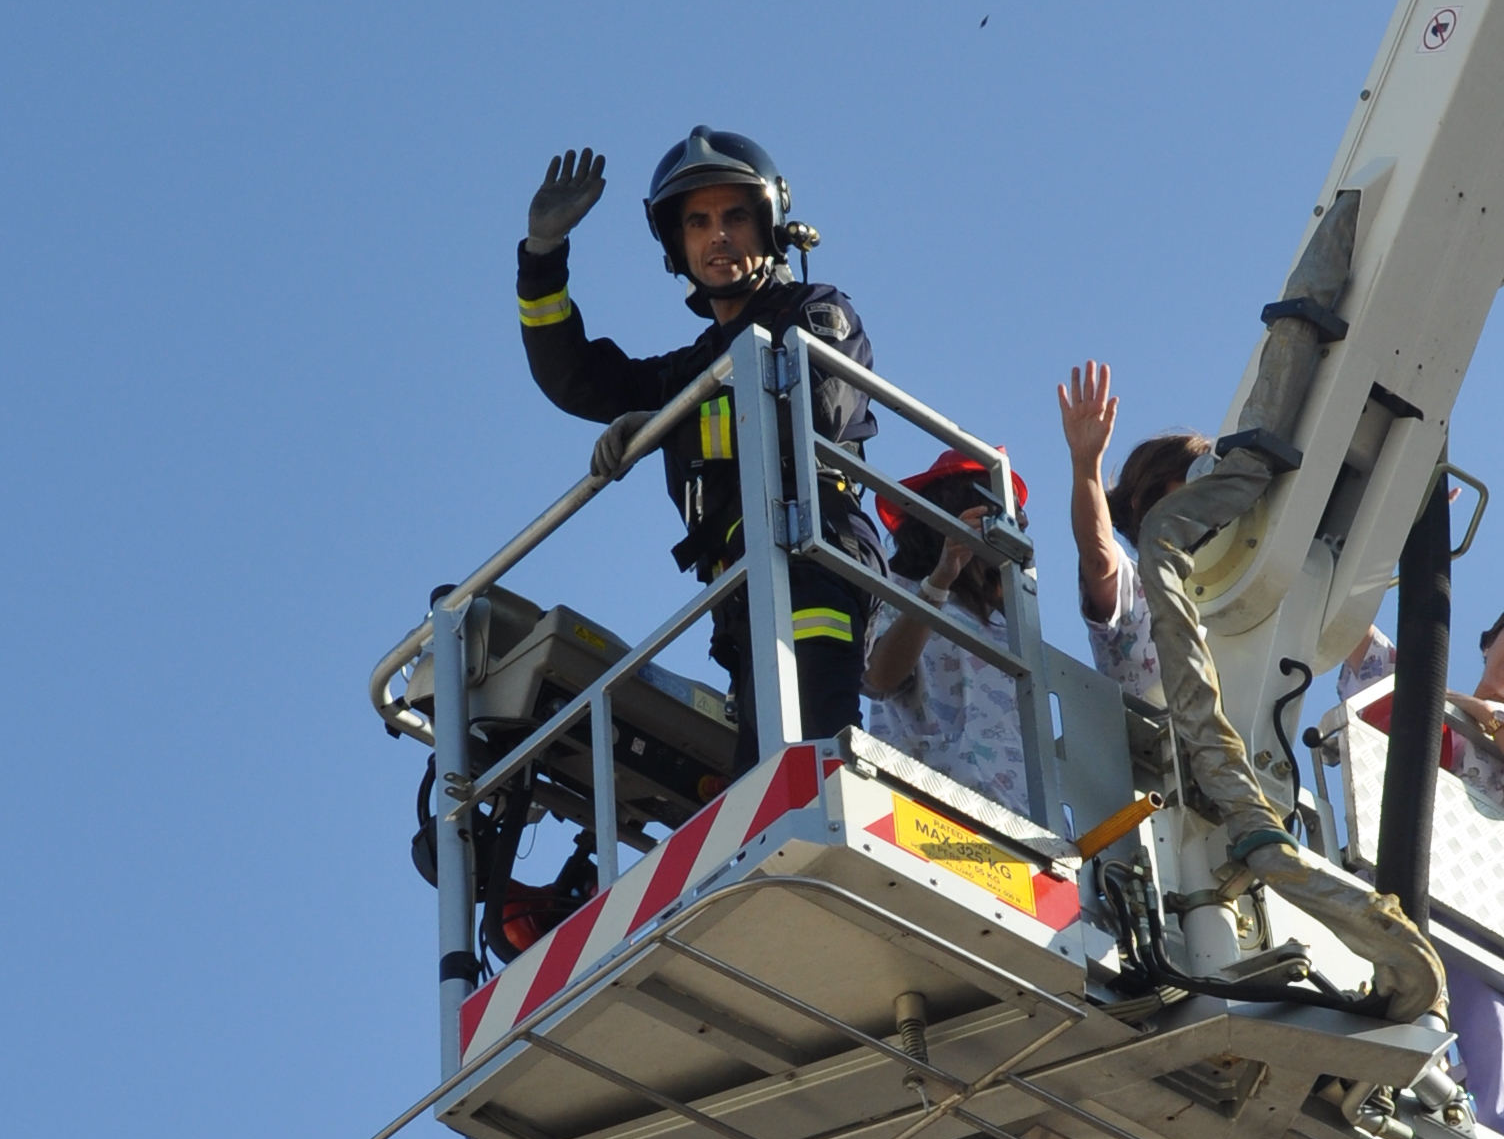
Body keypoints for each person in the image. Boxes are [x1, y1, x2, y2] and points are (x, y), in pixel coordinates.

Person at [513, 130, 881, 757]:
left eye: (736, 216)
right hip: (739, 592)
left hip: (814, 560)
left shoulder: (818, 311)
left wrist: (667, 422)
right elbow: (574, 379)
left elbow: (812, 407)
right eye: (698, 222)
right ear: (676, 247)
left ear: (768, 226)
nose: (718, 236)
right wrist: (543, 255)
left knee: (813, 758)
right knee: (762, 786)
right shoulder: (690, 369)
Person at [1335, 590, 1504, 1139]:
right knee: (1381, 1002)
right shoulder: (1417, 687)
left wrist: (1487, 718)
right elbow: (1345, 618)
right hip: (1396, 883)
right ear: (1491, 638)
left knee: (1500, 1036)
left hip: (1484, 908)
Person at [861, 451, 1035, 816]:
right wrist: (941, 580)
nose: (1004, 528)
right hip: (926, 798)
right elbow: (878, 678)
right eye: (991, 512)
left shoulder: (1011, 623)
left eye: (1012, 519)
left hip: (1021, 815)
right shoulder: (899, 588)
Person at [1057, 359, 1208, 707]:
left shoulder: (1232, 587)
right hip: (1156, 754)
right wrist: (1086, 464)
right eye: (1193, 485)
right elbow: (1098, 558)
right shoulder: (1136, 583)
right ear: (1145, 503)